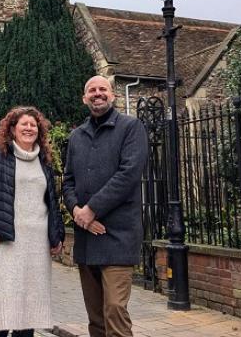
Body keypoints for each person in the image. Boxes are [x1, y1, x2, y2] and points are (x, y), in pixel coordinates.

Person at [0, 106, 65, 337]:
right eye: (24, 124)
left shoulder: (44, 161)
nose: (29, 128)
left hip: (36, 247)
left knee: (27, 316)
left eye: (34, 125)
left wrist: (57, 235)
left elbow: (52, 201)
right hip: (2, 245)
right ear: (12, 129)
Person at [62, 76, 148, 337]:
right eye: (92, 90)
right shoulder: (76, 136)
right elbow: (68, 181)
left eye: (102, 89)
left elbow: (128, 174)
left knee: (115, 311)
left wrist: (92, 210)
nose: (97, 94)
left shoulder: (131, 127)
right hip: (87, 239)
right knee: (96, 319)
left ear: (113, 95)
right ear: (84, 98)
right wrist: (77, 210)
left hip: (118, 237)